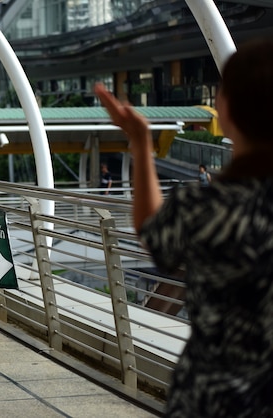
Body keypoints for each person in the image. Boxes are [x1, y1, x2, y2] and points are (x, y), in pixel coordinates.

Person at [94, 39, 273, 417]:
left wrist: (141, 142)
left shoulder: (205, 205)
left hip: (210, 396)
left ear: (225, 110)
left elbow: (153, 233)